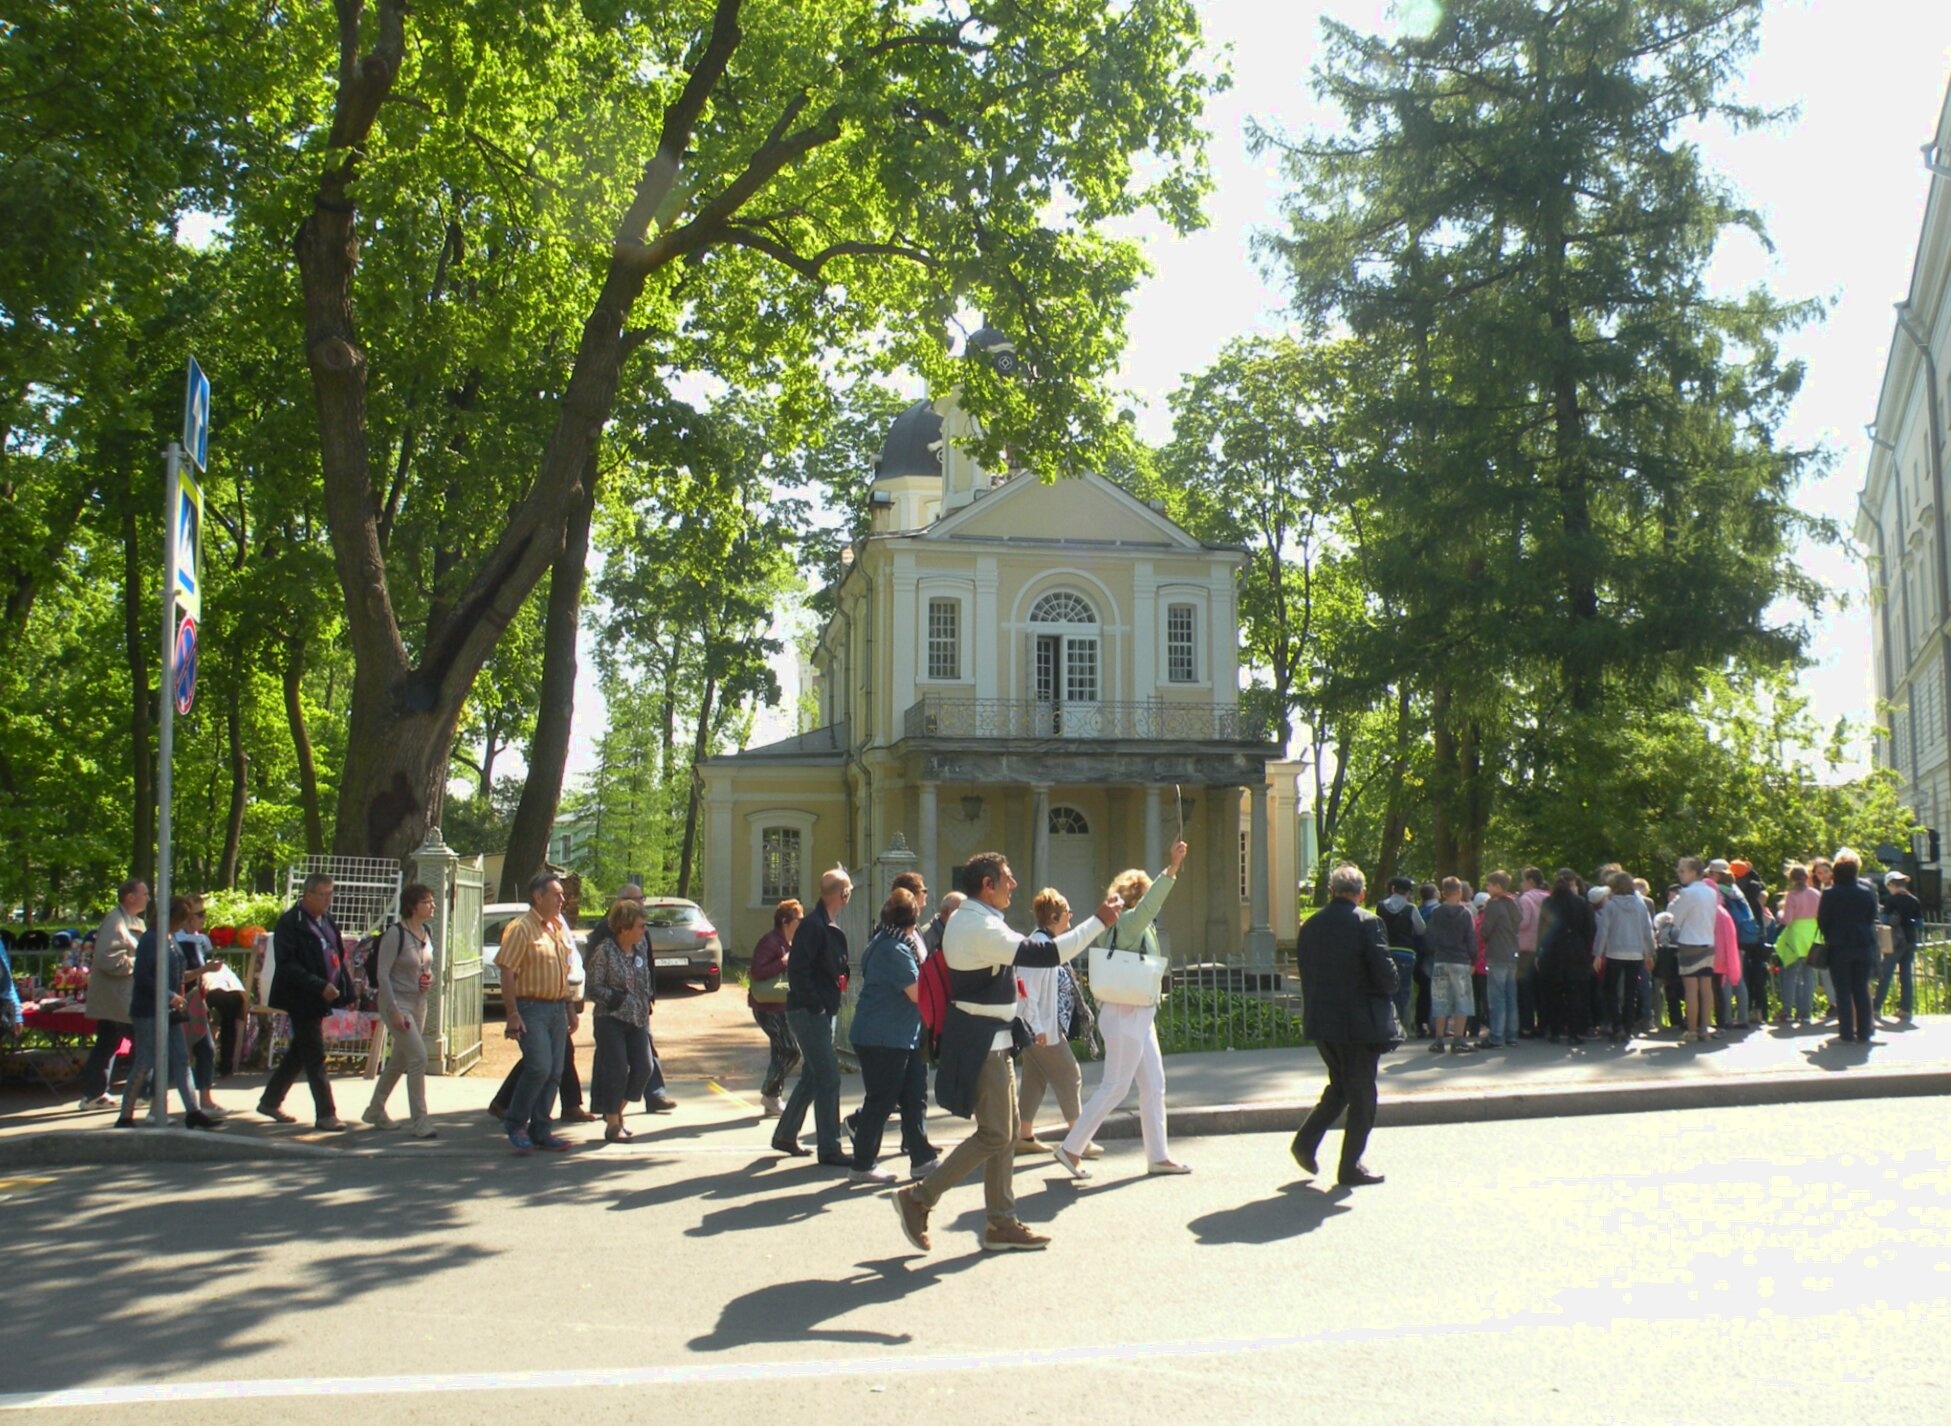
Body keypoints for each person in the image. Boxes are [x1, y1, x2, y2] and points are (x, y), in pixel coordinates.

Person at [893, 851, 1121, 1254]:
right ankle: (920, 1198)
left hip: (992, 1039)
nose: (1013, 885)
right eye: (1008, 878)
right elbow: (1046, 954)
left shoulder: (978, 920)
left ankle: (1001, 1222)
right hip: (981, 1043)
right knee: (997, 1133)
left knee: (1006, 1134)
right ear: (988, 885)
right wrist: (1099, 921)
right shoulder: (978, 925)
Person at [1056, 840, 1193, 1178]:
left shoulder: (1128, 925)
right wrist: (1172, 869)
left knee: (1154, 1085)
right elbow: (1149, 908)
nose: (1152, 906)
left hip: (1136, 1015)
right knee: (1115, 1086)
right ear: (1139, 897)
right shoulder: (1129, 923)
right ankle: (1071, 1148)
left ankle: (1158, 1156)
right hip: (1126, 1015)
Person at [1290, 862, 1397, 1188]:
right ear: (1361, 893)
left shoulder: (1310, 925)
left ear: (1333, 891)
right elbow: (1386, 977)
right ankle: (1350, 1166)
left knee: (1341, 1087)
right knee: (1362, 1095)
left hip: (1323, 1021)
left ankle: (1305, 1142)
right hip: (1359, 1025)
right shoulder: (1368, 923)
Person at [846, 888, 931, 1183]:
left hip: (895, 1035)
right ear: (912, 917)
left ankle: (922, 1158)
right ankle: (862, 1164)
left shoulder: (886, 939)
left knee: (911, 1095)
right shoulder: (894, 949)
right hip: (883, 1037)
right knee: (881, 1099)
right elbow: (917, 993)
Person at [494, 874, 581, 1152]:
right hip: (530, 1007)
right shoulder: (521, 928)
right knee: (539, 1066)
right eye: (556, 894)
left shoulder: (556, 927)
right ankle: (516, 1122)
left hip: (556, 1007)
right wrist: (512, 1013)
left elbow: (563, 970)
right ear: (538, 897)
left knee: (555, 1071)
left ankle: (542, 1129)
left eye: (562, 894)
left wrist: (569, 1006)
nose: (562, 899)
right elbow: (507, 970)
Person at [117, 896, 220, 1130]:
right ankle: (125, 1115)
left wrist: (201, 973)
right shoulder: (151, 940)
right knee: (145, 1061)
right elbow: (143, 977)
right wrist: (170, 996)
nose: (185, 924)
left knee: (182, 1059)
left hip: (171, 1011)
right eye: (183, 919)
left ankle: (193, 1111)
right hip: (148, 1011)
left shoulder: (171, 939)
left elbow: (179, 975)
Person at [772, 867, 853, 1164]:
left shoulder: (824, 925)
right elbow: (798, 971)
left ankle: (785, 1134)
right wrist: (817, 1005)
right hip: (809, 1013)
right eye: (849, 892)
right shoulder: (814, 926)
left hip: (818, 1011)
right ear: (843, 894)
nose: (850, 897)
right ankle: (830, 1148)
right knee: (829, 1077)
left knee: (813, 1075)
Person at [258, 873, 351, 1130]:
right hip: (300, 996)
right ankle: (326, 1113)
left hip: (323, 993)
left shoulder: (327, 920)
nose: (328, 900)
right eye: (323, 894)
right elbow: (287, 964)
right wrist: (318, 985)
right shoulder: (291, 922)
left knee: (300, 1051)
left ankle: (270, 1100)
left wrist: (345, 989)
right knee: (314, 1054)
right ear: (308, 895)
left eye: (331, 894)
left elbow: (336, 955)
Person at [1015, 889, 1098, 1158]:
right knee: (1070, 1076)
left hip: (1044, 1027)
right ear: (1053, 917)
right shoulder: (1039, 948)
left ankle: (1024, 1136)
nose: (1071, 917)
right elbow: (1026, 991)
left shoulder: (1049, 944)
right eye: (1067, 912)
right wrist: (1038, 1028)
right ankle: (1079, 1140)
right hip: (1042, 1029)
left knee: (1035, 1078)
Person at [361, 882, 439, 1138]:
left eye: (432, 901)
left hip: (419, 1002)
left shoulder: (426, 932)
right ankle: (420, 1120)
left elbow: (427, 967)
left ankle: (375, 1109)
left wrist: (430, 978)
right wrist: (393, 1010)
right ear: (412, 906)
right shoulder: (396, 934)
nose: (432, 905)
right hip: (397, 1003)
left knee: (401, 1059)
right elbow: (383, 974)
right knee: (419, 1058)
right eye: (427, 901)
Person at [585, 898, 654, 1143]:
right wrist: (614, 998)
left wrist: (646, 1002)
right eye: (640, 926)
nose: (644, 930)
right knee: (616, 1068)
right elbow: (592, 988)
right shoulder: (604, 950)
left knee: (645, 1067)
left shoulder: (641, 947)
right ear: (624, 928)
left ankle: (615, 1111)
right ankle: (613, 1125)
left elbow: (644, 976)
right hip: (610, 1018)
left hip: (637, 1017)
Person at [78, 879, 147, 1109]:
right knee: (143, 1042)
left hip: (117, 998)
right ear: (130, 897)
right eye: (144, 893)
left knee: (107, 1043)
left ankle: (94, 1095)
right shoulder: (115, 921)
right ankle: (141, 1093)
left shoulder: (132, 921)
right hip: (119, 998)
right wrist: (143, 963)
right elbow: (108, 959)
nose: (148, 898)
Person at [1817, 847, 1879, 1045]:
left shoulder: (1829, 894)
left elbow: (1822, 921)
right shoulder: (1866, 892)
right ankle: (1864, 1032)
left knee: (1843, 991)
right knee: (1861, 988)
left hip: (1839, 946)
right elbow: (1871, 917)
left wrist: (1831, 935)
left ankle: (1846, 1032)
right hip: (1863, 944)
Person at [748, 899, 802, 1116]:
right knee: (791, 1051)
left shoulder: (789, 942)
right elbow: (758, 972)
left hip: (780, 1005)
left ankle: (773, 1099)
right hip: (767, 1007)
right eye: (799, 918)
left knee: (780, 1051)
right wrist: (784, 961)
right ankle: (769, 1093)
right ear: (786, 921)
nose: (802, 922)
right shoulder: (770, 941)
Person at [1593, 871, 1655, 1045]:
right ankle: (1628, 1028)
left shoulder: (1611, 906)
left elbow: (1603, 931)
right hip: (1635, 954)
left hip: (1614, 953)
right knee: (1631, 992)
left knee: (1611, 991)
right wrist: (1649, 953)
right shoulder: (1640, 906)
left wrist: (1598, 954)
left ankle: (1617, 1025)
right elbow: (1647, 931)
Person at [1538, 868, 1596, 1045]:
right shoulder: (1581, 903)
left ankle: (1554, 1030)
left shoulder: (1549, 903)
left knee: (1554, 992)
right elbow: (1591, 929)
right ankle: (1574, 1032)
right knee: (1575, 993)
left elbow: (1542, 929)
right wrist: (1583, 945)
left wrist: (1541, 950)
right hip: (1576, 950)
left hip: (1553, 951)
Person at [1668, 858, 1719, 1044]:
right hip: (1708, 941)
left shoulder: (1687, 893)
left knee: (1691, 989)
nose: (1679, 873)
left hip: (1689, 943)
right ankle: (1704, 1029)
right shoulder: (1711, 892)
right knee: (1706, 988)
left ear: (1694, 872)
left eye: (1683, 870)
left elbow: (1675, 919)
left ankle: (1691, 1031)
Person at [1424, 877, 1476, 1054]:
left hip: (1441, 959)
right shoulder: (1465, 913)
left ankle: (1439, 1040)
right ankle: (1458, 1040)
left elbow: (1429, 936)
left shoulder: (1437, 912)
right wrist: (1474, 960)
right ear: (1459, 892)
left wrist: (1435, 951)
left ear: (1443, 893)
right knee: (1462, 999)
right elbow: (1471, 938)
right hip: (1460, 960)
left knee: (1440, 999)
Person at [1374, 877, 1423, 1039]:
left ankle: (1387, 1025)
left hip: (1387, 951)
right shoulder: (1410, 908)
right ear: (1408, 892)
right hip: (1406, 952)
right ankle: (1403, 1026)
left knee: (1388, 989)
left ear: (1393, 889)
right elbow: (1421, 929)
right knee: (1404, 991)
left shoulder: (1381, 906)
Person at [1480, 872, 1521, 1047]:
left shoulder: (1493, 905)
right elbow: (1520, 921)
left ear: (1497, 886)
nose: (1488, 888)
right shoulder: (1513, 902)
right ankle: (1511, 1035)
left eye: (1489, 885)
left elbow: (1485, 931)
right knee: (1511, 996)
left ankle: (1496, 1036)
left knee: (1497, 997)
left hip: (1497, 953)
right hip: (1512, 952)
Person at [1775, 864, 1820, 1025]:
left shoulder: (1792, 896)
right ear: (1807, 877)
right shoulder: (1816, 894)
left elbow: (1787, 919)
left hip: (1795, 937)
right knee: (1808, 976)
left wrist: (1779, 914)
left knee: (1790, 976)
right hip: (1812, 937)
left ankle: (1787, 1012)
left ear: (1791, 879)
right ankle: (1806, 1013)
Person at [1876, 871, 1922, 1022]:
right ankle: (1906, 1010)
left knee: (1885, 974)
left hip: (1895, 942)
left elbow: (1884, 920)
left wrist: (1882, 912)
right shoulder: (1914, 900)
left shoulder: (1891, 900)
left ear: (1891, 885)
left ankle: (1875, 1008)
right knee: (1906, 976)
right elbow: (1920, 923)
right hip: (1911, 940)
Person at [1515, 868, 1548, 1037]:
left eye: (1523, 880)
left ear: (1531, 881)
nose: (1521, 884)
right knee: (1542, 989)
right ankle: (1543, 1024)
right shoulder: (1549, 897)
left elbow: (1524, 922)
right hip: (1544, 948)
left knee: (1525, 989)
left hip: (1526, 948)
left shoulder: (1526, 899)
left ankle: (1527, 1026)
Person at [920, 892, 966, 956]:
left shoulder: (960, 932)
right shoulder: (926, 936)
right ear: (947, 911)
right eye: (962, 911)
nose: (965, 916)